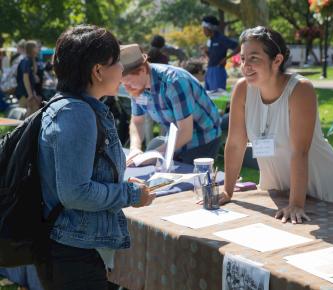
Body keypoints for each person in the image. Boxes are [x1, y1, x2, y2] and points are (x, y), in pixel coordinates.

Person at [35, 25, 155, 290]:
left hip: (74, 246)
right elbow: (75, 192)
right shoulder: (76, 115)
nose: (123, 70)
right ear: (98, 71)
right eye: (117, 63)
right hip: (73, 252)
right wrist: (130, 195)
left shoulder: (74, 107)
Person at [220, 26, 333, 224]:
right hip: (276, 187)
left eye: (254, 58)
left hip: (316, 185)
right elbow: (235, 143)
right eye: (243, 59)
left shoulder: (300, 89)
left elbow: (299, 151)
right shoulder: (242, 89)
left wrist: (296, 203)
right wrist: (227, 191)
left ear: (277, 60)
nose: (245, 66)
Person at [120, 44, 222, 165]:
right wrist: (135, 148)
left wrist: (152, 155)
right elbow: (137, 121)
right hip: (176, 138)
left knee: (192, 181)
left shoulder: (174, 82)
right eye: (122, 84)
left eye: (128, 83)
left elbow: (185, 133)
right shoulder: (136, 86)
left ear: (142, 70)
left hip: (203, 137)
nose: (127, 88)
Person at [202, 15, 240, 91]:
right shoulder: (210, 40)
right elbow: (212, 57)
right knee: (208, 98)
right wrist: (206, 51)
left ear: (210, 27)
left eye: (204, 28)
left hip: (218, 71)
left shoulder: (221, 38)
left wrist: (226, 58)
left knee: (217, 97)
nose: (203, 31)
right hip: (209, 71)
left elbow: (238, 47)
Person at [15, 40, 42, 115]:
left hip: (29, 91)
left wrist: (33, 93)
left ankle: (27, 126)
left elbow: (31, 77)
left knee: (33, 110)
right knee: (23, 113)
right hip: (23, 91)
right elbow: (25, 78)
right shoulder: (26, 60)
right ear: (32, 48)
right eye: (36, 46)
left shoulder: (32, 59)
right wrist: (30, 94)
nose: (38, 48)